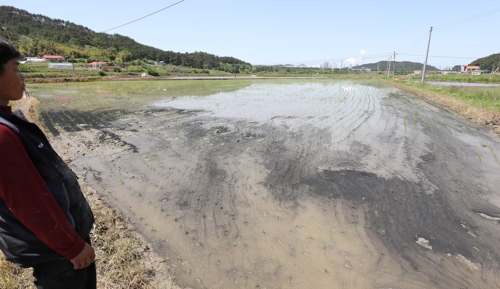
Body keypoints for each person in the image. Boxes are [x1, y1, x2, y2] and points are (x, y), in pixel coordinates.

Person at [0, 38, 96, 288]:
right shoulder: (2, 134)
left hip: (56, 245)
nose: (21, 76)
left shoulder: (7, 121)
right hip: (59, 253)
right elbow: (28, 201)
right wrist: (72, 246)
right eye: (16, 68)